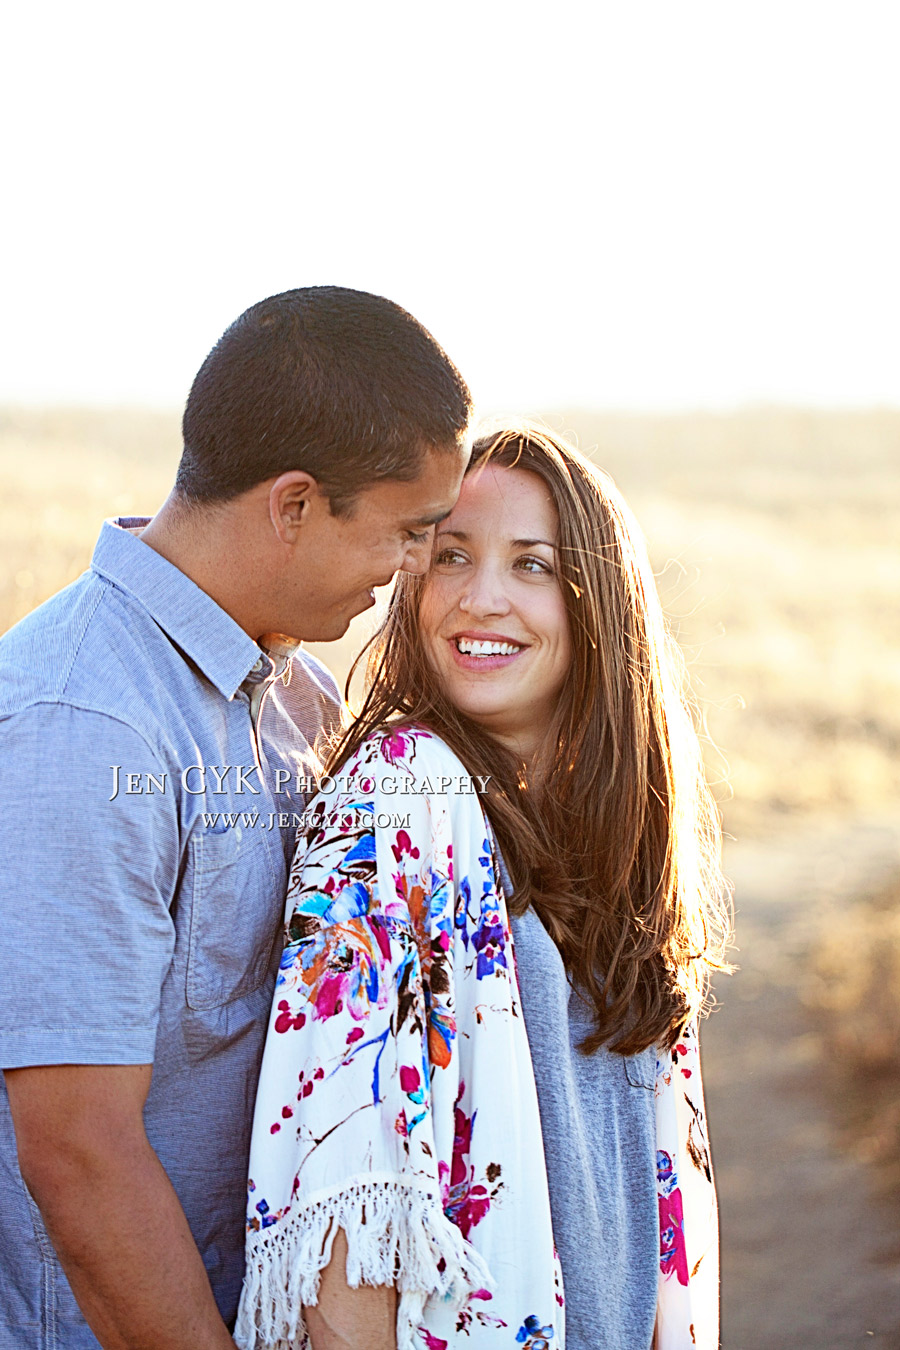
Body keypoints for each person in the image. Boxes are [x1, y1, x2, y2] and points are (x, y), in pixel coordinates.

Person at [0, 286, 471, 1350]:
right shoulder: (83, 726)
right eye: (403, 534)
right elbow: (78, 1153)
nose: (407, 573)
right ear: (294, 505)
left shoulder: (297, 695)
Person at [235, 423, 731, 1350]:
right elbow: (351, 1197)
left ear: (599, 605)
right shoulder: (399, 796)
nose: (481, 598)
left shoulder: (607, 843)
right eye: (450, 555)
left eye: (531, 565)